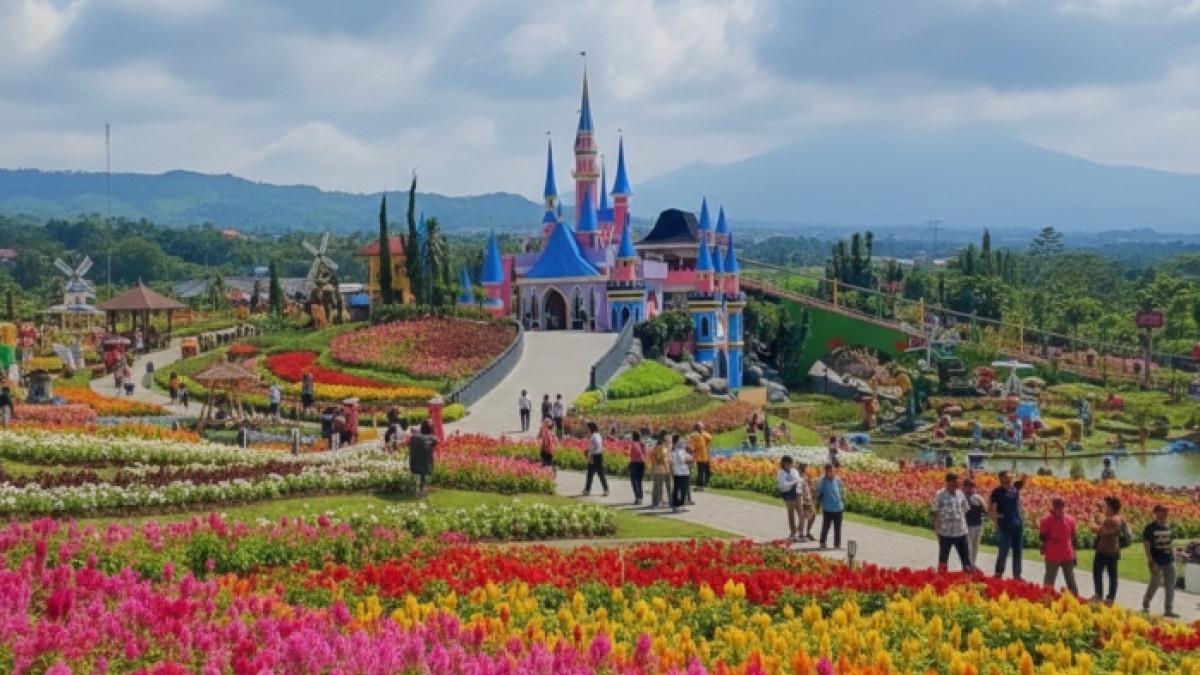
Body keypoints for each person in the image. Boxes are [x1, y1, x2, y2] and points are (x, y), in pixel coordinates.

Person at [932, 472, 973, 573]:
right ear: (948, 482)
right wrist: (937, 530)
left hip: (961, 532)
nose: (957, 484)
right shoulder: (940, 494)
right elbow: (935, 512)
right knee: (943, 559)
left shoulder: (960, 493)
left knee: (966, 558)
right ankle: (942, 579)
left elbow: (965, 509)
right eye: (955, 481)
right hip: (946, 533)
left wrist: (964, 526)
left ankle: (969, 579)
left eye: (958, 481)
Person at [1142, 504, 1178, 617]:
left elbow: (1170, 542)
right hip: (1156, 560)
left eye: (1166, 512)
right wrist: (1149, 558)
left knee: (1170, 584)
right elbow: (1146, 544)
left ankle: (1168, 609)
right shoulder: (1150, 528)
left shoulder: (1168, 526)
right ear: (1156, 513)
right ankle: (1146, 602)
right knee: (1155, 583)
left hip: (1169, 559)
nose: (1166, 514)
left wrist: (1174, 554)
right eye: (1163, 511)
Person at [989, 470, 1026, 580]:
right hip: (1005, 527)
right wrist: (996, 523)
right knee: (1003, 551)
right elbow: (992, 510)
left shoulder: (1014, 488)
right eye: (1009, 475)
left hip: (1017, 525)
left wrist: (1023, 477)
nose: (1011, 476)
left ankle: (1017, 575)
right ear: (1003, 478)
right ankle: (998, 573)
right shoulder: (997, 492)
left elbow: (1022, 481)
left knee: (1018, 551)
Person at [1039, 496, 1079, 594]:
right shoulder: (1046, 520)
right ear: (1053, 506)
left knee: (1070, 578)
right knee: (1050, 578)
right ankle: (1046, 597)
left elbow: (1073, 538)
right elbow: (1042, 536)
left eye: (1061, 506)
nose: (1059, 509)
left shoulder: (1070, 519)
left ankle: (1075, 598)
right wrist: (1044, 546)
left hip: (1067, 553)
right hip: (1053, 553)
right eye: (1057, 506)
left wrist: (1074, 554)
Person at [1091, 496, 1124, 606]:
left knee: (1098, 573)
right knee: (1113, 575)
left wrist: (1091, 517)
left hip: (1104, 551)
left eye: (1106, 506)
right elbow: (1104, 522)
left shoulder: (1111, 520)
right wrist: (1100, 512)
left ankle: (1099, 596)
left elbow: (1097, 530)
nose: (1105, 508)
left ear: (1111, 507)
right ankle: (1110, 597)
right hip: (1114, 551)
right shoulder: (1118, 518)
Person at [816, 464, 845, 549]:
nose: (832, 473)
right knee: (826, 526)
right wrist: (818, 505)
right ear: (826, 471)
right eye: (830, 471)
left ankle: (837, 544)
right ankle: (822, 542)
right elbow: (819, 493)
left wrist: (841, 500)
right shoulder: (822, 481)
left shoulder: (837, 479)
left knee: (838, 527)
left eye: (833, 470)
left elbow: (840, 489)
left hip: (838, 507)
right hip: (827, 508)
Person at [408, 420, 438, 494]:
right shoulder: (432, 438)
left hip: (414, 463)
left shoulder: (414, 437)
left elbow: (409, 444)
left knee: (421, 460)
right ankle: (422, 487)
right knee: (426, 460)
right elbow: (436, 443)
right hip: (425, 465)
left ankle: (417, 487)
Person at [778, 456, 803, 542]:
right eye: (786, 463)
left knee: (801, 514)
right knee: (791, 514)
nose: (788, 465)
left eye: (790, 463)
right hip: (788, 494)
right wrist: (793, 482)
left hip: (797, 493)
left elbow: (799, 480)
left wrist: (793, 482)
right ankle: (793, 533)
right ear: (783, 464)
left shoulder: (794, 471)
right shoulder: (781, 473)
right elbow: (784, 484)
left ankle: (800, 532)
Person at [963, 479, 986, 568]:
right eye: (968, 486)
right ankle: (969, 564)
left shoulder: (978, 498)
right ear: (964, 487)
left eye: (972, 487)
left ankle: (973, 563)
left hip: (978, 524)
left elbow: (985, 510)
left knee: (976, 546)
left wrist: (982, 505)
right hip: (967, 525)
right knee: (969, 546)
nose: (970, 489)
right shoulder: (961, 497)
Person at [582, 421, 609, 496]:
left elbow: (594, 446)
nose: (587, 429)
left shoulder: (594, 436)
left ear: (591, 428)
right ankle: (588, 489)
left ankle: (605, 489)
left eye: (587, 427)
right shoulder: (597, 435)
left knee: (598, 474)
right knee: (592, 474)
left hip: (595, 456)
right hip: (598, 455)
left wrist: (590, 455)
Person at [670, 433, 694, 513]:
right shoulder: (679, 451)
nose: (685, 444)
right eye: (683, 443)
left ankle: (680, 504)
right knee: (680, 489)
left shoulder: (681, 451)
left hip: (682, 472)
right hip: (681, 473)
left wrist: (689, 457)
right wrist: (690, 459)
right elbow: (683, 460)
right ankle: (677, 505)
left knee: (681, 489)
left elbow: (688, 457)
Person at [688, 422, 712, 491]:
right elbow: (691, 447)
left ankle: (706, 484)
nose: (702, 428)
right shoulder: (694, 436)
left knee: (707, 471)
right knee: (700, 472)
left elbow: (710, 438)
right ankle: (699, 485)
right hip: (699, 457)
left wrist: (702, 433)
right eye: (700, 427)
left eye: (702, 426)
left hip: (706, 457)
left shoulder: (704, 434)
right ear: (697, 427)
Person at [629, 430, 647, 505]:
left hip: (635, 462)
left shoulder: (634, 444)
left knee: (634, 481)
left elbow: (637, 452)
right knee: (639, 481)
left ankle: (638, 498)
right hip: (641, 463)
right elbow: (645, 453)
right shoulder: (642, 444)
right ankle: (640, 497)